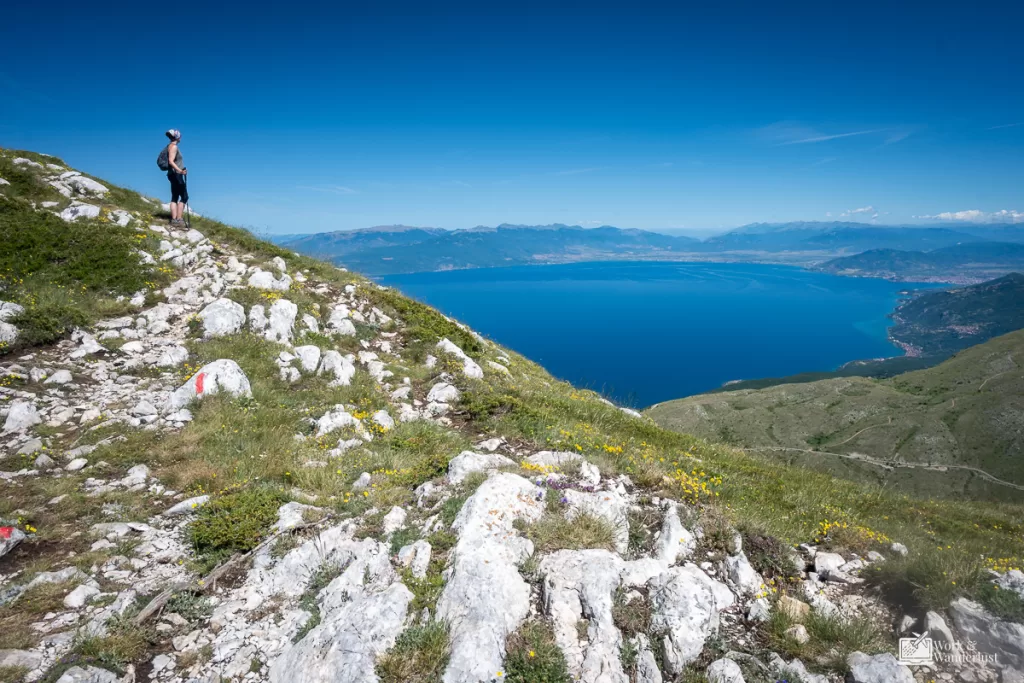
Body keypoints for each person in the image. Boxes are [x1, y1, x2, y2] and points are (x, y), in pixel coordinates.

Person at [164, 129, 188, 226]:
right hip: (176, 175)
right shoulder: (174, 147)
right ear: (177, 137)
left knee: (175, 196)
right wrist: (180, 171)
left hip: (172, 174)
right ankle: (179, 219)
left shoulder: (169, 146)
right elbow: (171, 161)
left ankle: (174, 220)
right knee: (184, 197)